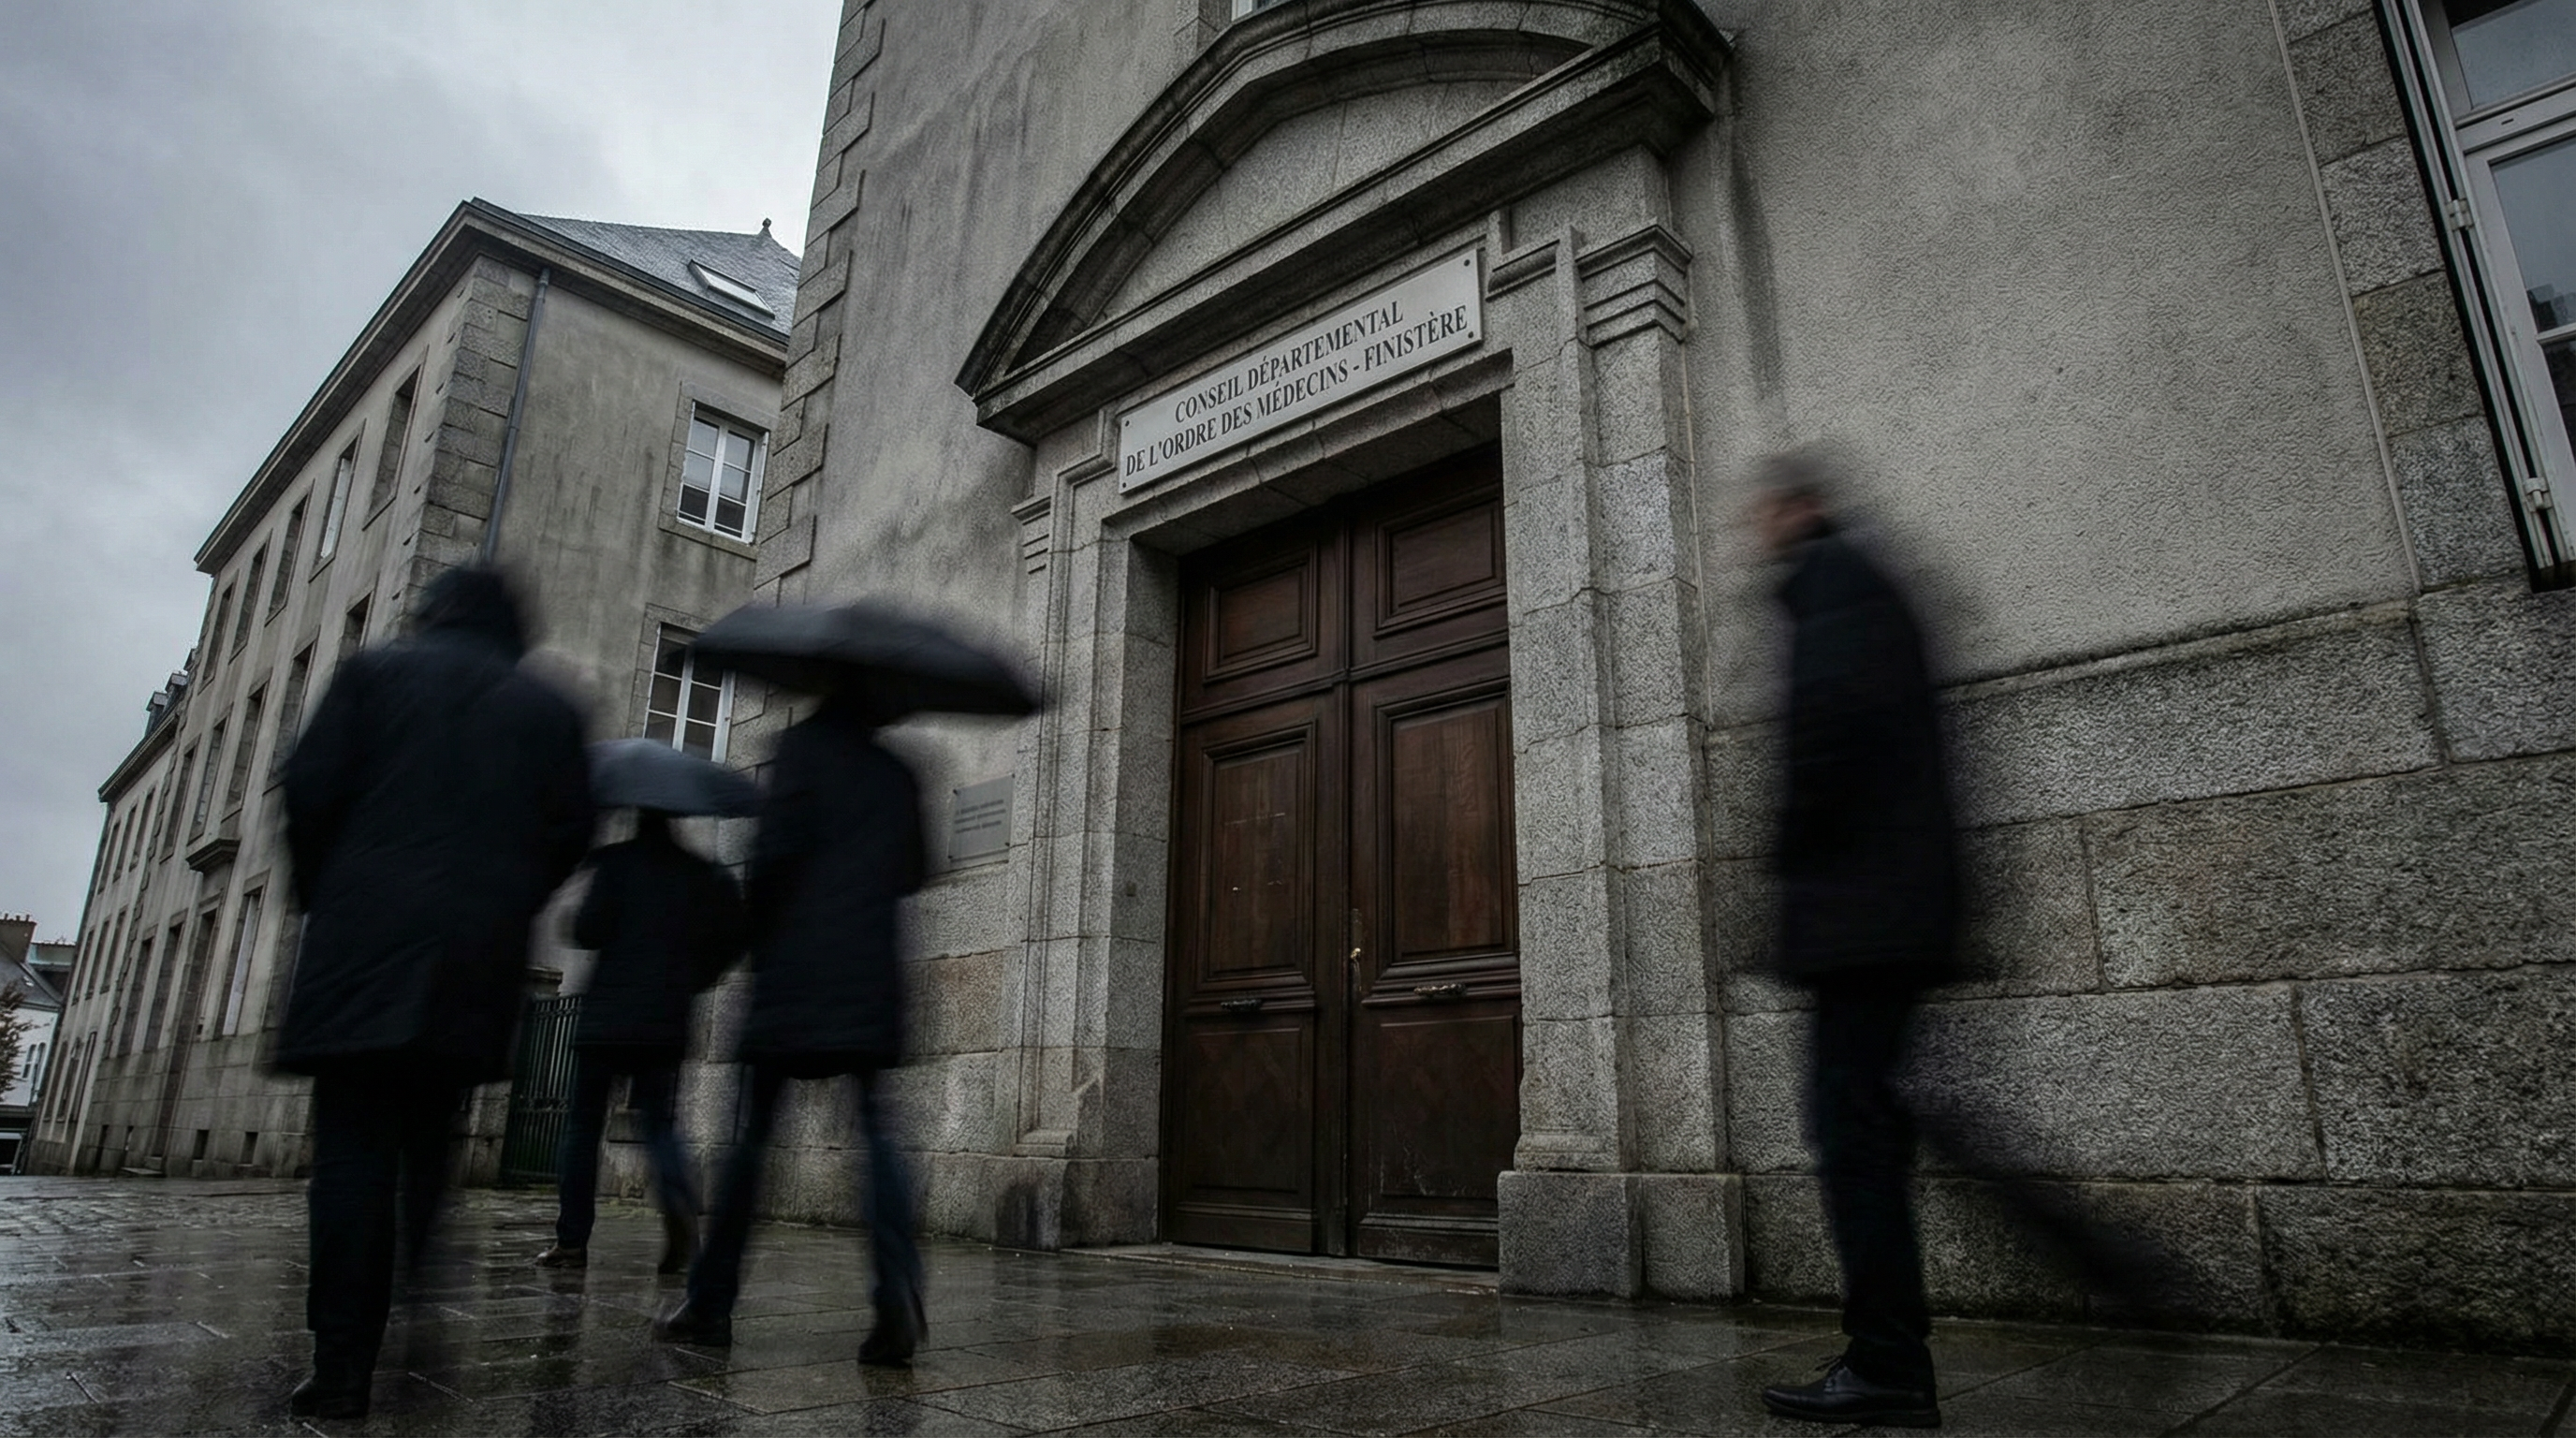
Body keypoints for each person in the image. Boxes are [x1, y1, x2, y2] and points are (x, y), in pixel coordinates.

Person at [275, 566, 594, 1421]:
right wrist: (509, 896)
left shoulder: (374, 675)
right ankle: (418, 1298)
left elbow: (307, 792)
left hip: (363, 942)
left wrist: (329, 890)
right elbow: (572, 829)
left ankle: (342, 1363)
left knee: (351, 1155)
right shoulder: (549, 710)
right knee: (429, 1138)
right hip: (472, 954)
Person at [1749, 456, 1956, 1430]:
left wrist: (1781, 854)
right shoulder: (1876, 584)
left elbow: (1825, 735)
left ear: (1799, 508)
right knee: (1873, 1125)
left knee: (1852, 1140)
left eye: (1765, 512)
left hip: (1860, 922)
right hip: (1895, 916)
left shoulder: (1831, 583)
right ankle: (1888, 1354)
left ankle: (1885, 1363)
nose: (1758, 530)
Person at [652, 695, 927, 1363]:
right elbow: (915, 869)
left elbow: (768, 866)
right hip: (868, 974)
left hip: (794, 977)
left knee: (751, 1148)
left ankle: (712, 1302)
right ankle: (896, 1291)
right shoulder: (896, 770)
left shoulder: (798, 753)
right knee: (879, 1138)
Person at [535, 808, 744, 1274]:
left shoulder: (614, 862)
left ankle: (571, 1242)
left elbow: (588, 931)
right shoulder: (698, 873)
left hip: (606, 1017)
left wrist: (575, 914)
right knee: (659, 1125)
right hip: (663, 1019)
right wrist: (694, 978)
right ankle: (676, 1202)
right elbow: (732, 937)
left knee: (582, 1129)